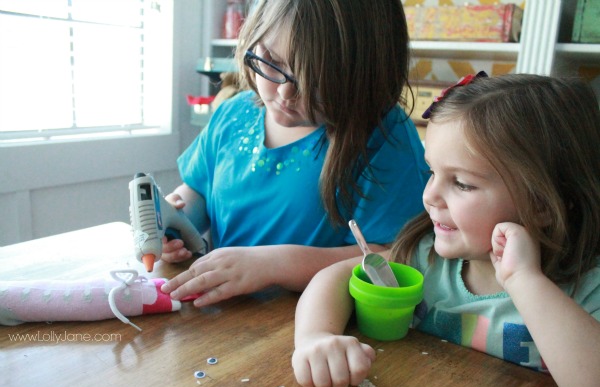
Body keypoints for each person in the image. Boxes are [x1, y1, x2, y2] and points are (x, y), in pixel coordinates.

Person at [292, 73, 600, 387]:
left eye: (462, 183)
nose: (430, 196)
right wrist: (315, 337)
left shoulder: (584, 291)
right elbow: (334, 278)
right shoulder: (425, 258)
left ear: (542, 205)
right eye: (432, 172)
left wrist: (525, 280)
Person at [159, 0, 428, 307]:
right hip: (224, 318)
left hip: (317, 324)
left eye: (315, 81)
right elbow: (199, 190)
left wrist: (278, 265)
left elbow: (396, 255)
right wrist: (176, 223)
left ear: (366, 75)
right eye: (272, 61)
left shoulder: (383, 136)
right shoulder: (234, 113)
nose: (285, 94)